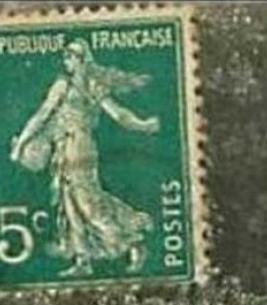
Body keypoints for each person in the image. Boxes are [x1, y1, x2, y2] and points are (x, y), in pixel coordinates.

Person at [10, 39, 159, 277]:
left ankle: (132, 243)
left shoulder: (92, 85)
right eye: (65, 57)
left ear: (82, 60)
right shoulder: (61, 84)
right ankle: (82, 261)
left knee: (88, 203)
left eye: (70, 57)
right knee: (68, 202)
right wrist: (24, 143)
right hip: (62, 148)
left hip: (80, 147)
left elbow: (118, 113)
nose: (66, 61)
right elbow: (42, 114)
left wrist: (142, 125)